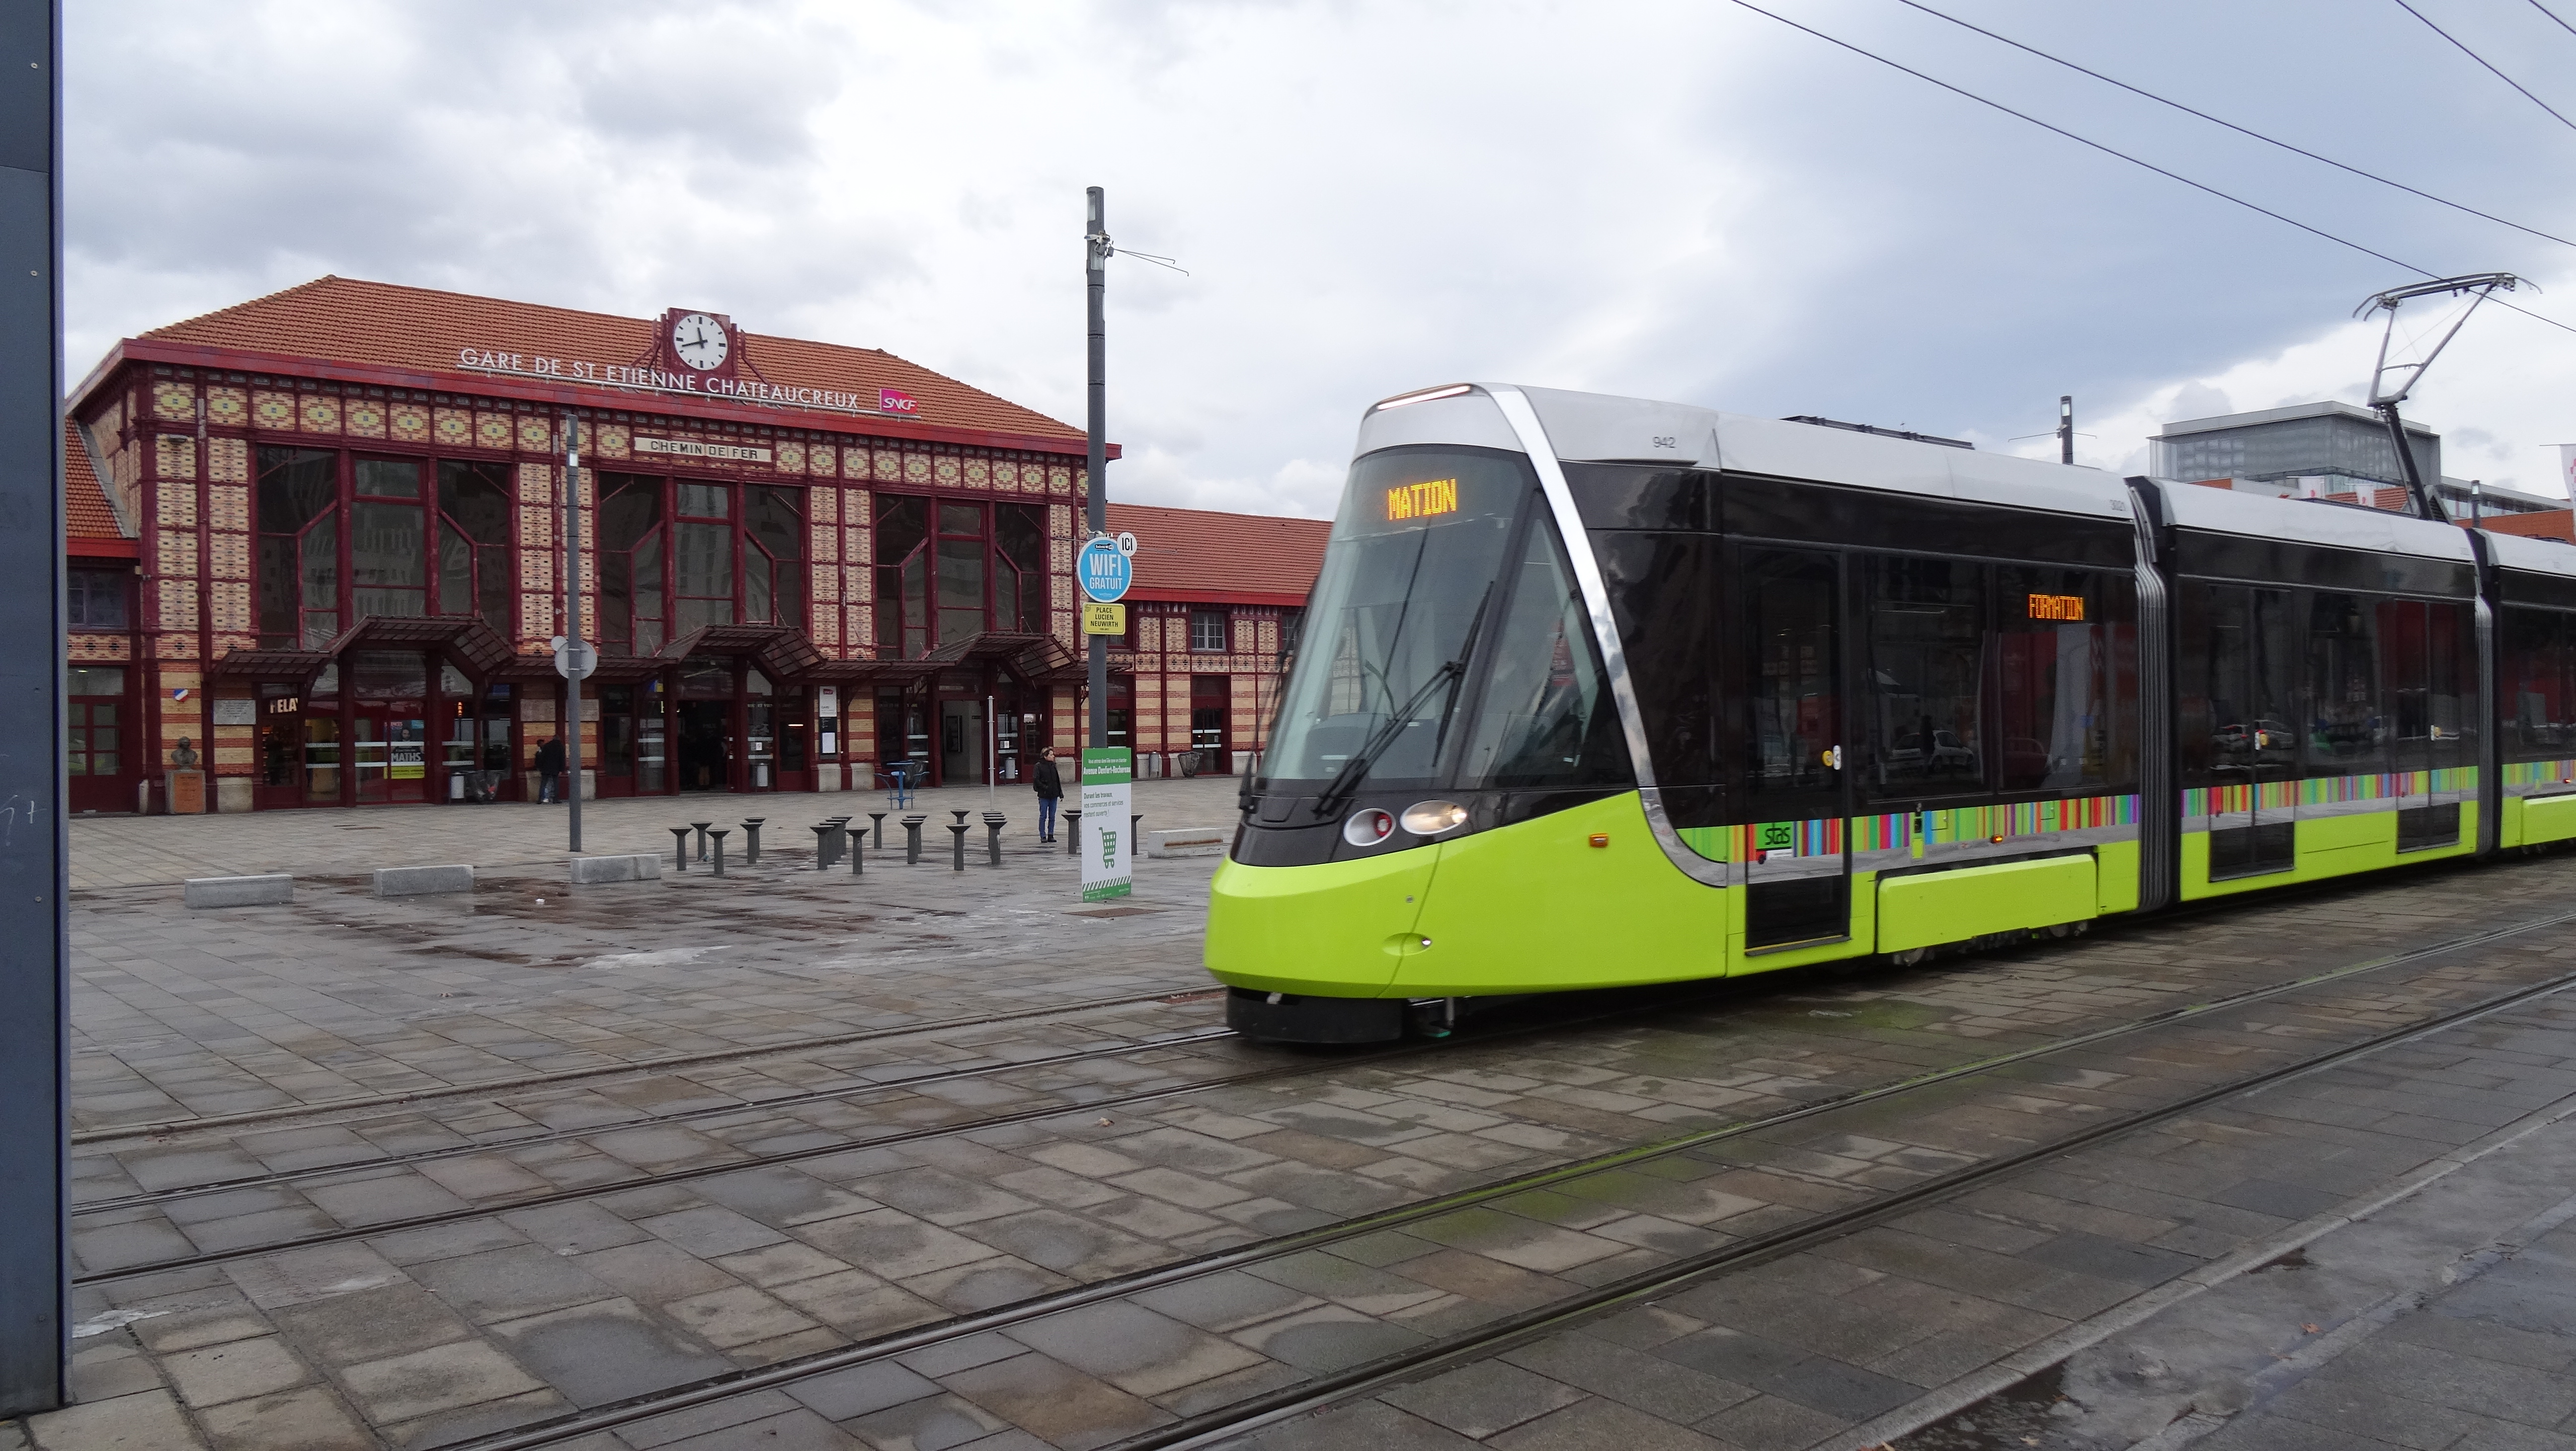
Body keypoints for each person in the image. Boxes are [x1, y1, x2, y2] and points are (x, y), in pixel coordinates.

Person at [1033, 746, 1063, 842]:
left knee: (1052, 816)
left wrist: (1061, 793)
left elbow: (1057, 780)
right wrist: (1045, 787)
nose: (1053, 756)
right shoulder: (1039, 766)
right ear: (1046, 756)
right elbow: (1036, 780)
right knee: (1043, 816)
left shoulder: (1053, 765)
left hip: (1054, 795)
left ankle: (1051, 834)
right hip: (1044, 795)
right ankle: (1043, 835)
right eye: (1051, 755)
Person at [535, 733, 566, 804]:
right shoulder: (561, 747)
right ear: (559, 739)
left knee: (543, 783)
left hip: (546, 768)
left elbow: (542, 758)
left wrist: (540, 767)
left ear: (553, 738)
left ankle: (541, 799)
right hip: (555, 768)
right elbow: (562, 759)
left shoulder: (547, 746)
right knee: (555, 783)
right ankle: (556, 799)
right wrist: (562, 769)